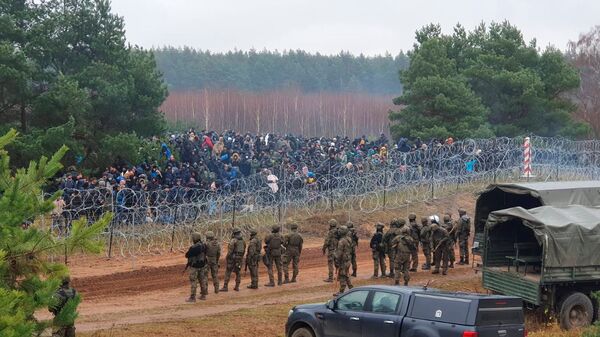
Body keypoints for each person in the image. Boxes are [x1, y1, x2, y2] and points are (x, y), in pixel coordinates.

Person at [185, 232, 208, 302]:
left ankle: (192, 297)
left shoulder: (193, 248)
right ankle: (203, 295)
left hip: (194, 266)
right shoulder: (204, 245)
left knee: (193, 281)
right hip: (202, 265)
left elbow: (187, 255)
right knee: (202, 280)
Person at [335, 225, 353, 295]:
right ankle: (351, 288)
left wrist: (336, 260)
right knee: (346, 274)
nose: (338, 231)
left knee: (342, 275)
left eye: (340, 230)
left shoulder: (341, 241)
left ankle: (341, 291)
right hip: (348, 259)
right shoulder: (348, 239)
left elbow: (339, 253)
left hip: (343, 261)